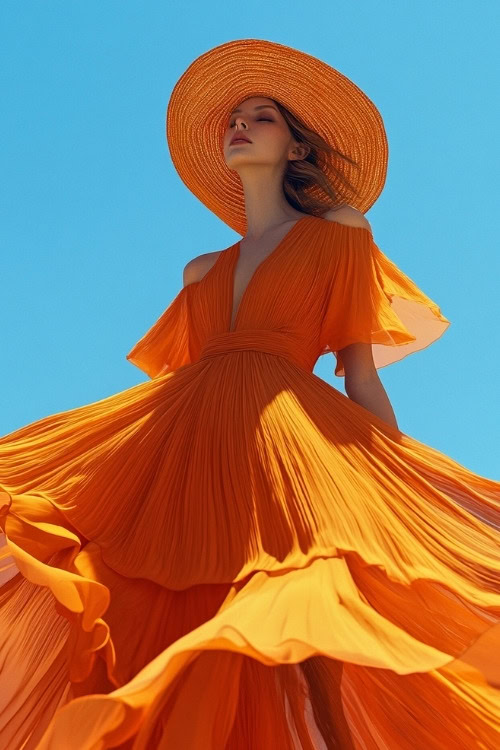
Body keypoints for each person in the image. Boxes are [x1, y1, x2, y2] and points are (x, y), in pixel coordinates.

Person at [0, 38, 499, 749]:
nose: (240, 124)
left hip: (291, 451)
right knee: (161, 628)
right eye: (235, 116)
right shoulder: (200, 271)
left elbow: (360, 374)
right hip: (195, 452)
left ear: (298, 149)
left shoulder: (340, 234)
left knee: (317, 623)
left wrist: (393, 489)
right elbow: (180, 381)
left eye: (261, 116)